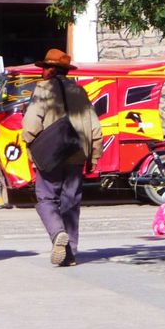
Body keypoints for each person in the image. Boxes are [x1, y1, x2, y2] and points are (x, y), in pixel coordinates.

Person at [21, 49, 102, 267]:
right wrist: (94, 156)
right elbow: (95, 127)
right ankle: (70, 254)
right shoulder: (80, 92)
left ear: (51, 69)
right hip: (77, 153)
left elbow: (31, 125)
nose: (43, 72)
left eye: (44, 68)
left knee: (47, 198)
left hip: (52, 154)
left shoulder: (43, 90)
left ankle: (57, 233)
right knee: (71, 203)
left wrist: (29, 142)